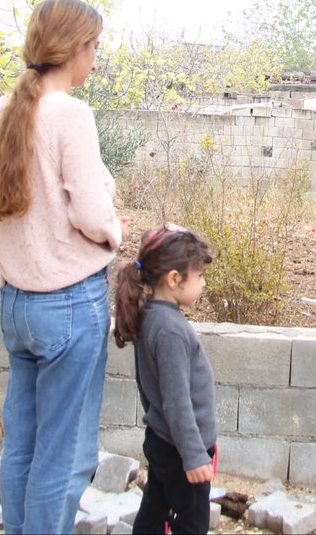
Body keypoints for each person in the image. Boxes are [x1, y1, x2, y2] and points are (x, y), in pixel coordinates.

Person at [0, 0, 123, 535]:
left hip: (16, 304)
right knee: (68, 456)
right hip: (68, 303)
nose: (96, 60)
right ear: (75, 49)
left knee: (23, 448)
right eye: (94, 47)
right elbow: (91, 213)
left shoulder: (0, 111)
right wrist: (115, 231)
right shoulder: (71, 115)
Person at [113, 224, 218, 535]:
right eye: (199, 276)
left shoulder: (151, 317)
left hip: (164, 441)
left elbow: (152, 391)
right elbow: (176, 402)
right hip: (181, 449)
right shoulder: (169, 330)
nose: (203, 283)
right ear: (174, 279)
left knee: (155, 507)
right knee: (193, 521)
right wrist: (195, 455)